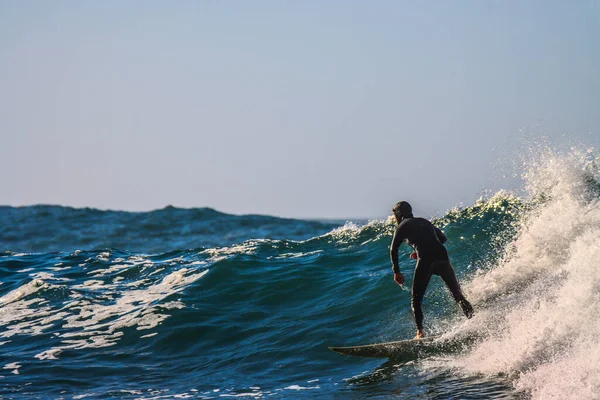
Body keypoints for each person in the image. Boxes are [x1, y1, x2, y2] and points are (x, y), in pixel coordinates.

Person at [390, 201, 473, 339]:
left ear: (399, 214)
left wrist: (397, 271)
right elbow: (442, 238)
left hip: (426, 260)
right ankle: (473, 319)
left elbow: (393, 249)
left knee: (416, 300)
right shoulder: (424, 221)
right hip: (442, 256)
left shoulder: (401, 226)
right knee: (457, 295)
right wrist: (423, 248)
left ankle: (420, 333)